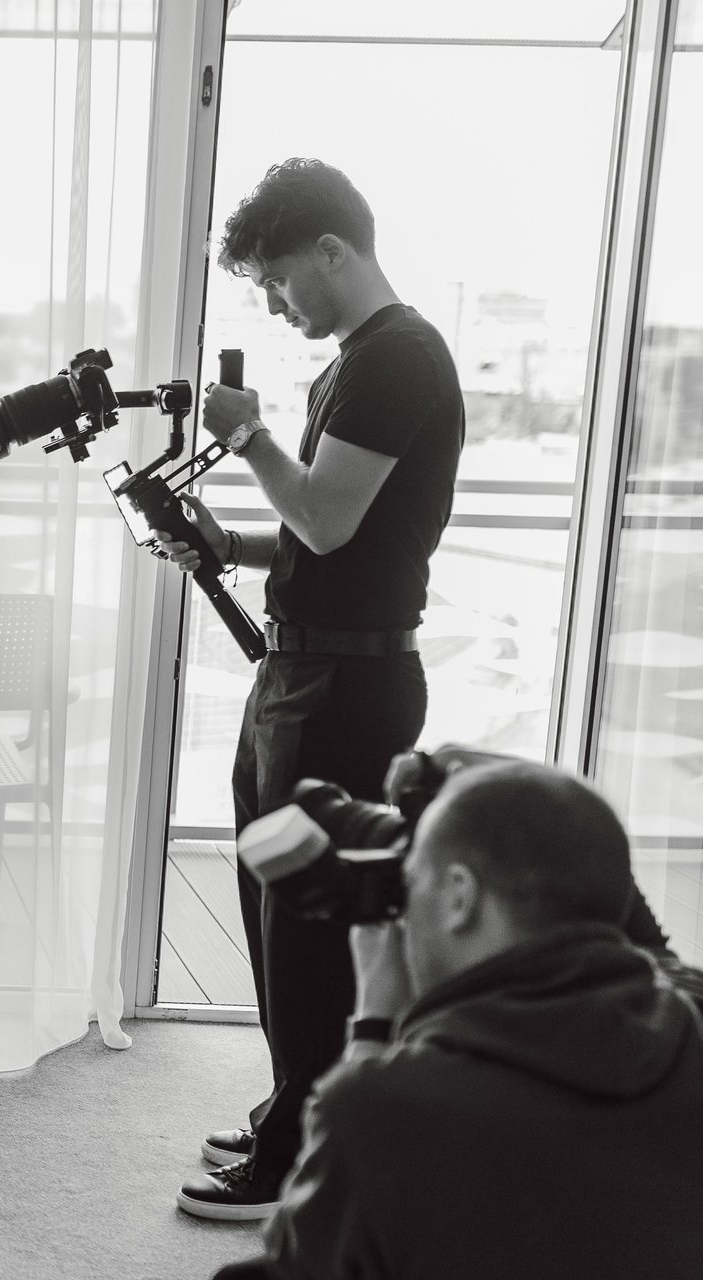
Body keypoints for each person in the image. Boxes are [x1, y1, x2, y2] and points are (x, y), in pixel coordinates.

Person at [161, 158, 465, 1218]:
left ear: (333, 250)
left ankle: (304, 1147)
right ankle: (297, 1097)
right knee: (270, 893)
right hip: (305, 662)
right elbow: (318, 536)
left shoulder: (398, 357)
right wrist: (222, 538)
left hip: (350, 676)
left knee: (307, 914)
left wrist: (244, 435)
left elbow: (329, 520)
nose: (275, 302)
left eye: (279, 279)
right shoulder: (357, 359)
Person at [215, 758, 703, 1279]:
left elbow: (300, 1261)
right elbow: (629, 912)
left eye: (414, 879)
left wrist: (373, 1029)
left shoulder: (382, 1111)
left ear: (459, 897)